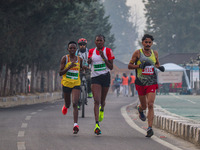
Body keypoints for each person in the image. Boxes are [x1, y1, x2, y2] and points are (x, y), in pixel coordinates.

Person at [128, 34, 165, 137]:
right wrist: (139, 65)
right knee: (144, 106)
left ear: (152, 43)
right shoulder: (138, 53)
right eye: (146, 42)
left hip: (151, 82)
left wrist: (160, 67)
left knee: (151, 104)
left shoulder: (155, 53)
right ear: (142, 43)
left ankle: (149, 128)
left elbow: (156, 64)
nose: (148, 44)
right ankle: (140, 109)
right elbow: (129, 65)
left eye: (150, 42)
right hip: (140, 83)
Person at [88, 34, 115, 135]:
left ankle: (102, 109)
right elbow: (88, 62)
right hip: (95, 77)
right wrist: (88, 61)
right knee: (96, 100)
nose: (99, 42)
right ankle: (97, 124)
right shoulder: (91, 51)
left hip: (105, 77)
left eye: (101, 41)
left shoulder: (108, 51)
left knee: (102, 101)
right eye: (97, 41)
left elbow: (111, 67)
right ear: (95, 42)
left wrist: (104, 57)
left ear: (104, 42)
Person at [59, 41, 84, 134]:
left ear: (76, 49)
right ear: (68, 49)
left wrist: (83, 70)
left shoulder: (79, 59)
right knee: (69, 104)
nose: (72, 50)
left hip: (76, 84)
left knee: (75, 103)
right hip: (66, 84)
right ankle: (65, 106)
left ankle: (75, 125)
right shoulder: (64, 59)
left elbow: (80, 68)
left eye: (74, 48)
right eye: (71, 48)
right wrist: (69, 67)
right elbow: (60, 73)